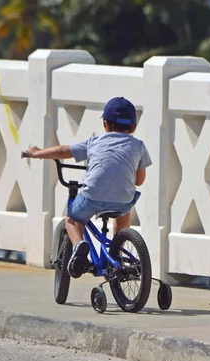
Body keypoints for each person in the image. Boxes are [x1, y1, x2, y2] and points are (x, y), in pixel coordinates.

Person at [23, 97, 152, 278]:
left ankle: (78, 245)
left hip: (92, 196)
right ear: (134, 126)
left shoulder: (94, 142)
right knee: (124, 210)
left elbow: (63, 150)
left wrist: (36, 153)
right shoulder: (139, 146)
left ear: (106, 124)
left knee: (72, 219)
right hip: (122, 200)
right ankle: (118, 251)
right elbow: (139, 181)